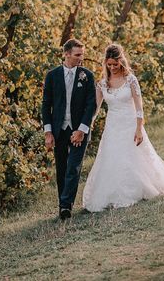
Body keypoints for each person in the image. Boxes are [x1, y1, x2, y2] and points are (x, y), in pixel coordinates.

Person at [81, 43, 164, 212]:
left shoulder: (131, 80)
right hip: (113, 126)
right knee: (112, 158)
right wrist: (88, 124)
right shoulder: (102, 84)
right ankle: (113, 194)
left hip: (130, 124)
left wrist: (138, 128)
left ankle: (140, 188)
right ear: (105, 63)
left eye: (116, 64)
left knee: (135, 157)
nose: (113, 67)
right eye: (109, 64)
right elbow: (96, 109)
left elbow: (139, 107)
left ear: (122, 61)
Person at [41, 38, 97, 220]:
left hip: (79, 129)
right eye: (77, 55)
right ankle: (63, 203)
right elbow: (46, 105)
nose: (81, 58)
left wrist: (81, 130)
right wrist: (48, 132)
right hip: (59, 129)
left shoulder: (87, 75)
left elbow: (91, 105)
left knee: (74, 167)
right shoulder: (52, 76)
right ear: (66, 54)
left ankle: (65, 207)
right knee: (62, 168)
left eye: (82, 54)